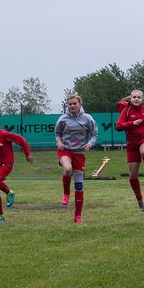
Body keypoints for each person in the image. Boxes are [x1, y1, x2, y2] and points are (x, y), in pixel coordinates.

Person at [0, 116, 34, 222]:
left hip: (6, 164)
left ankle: (9, 192)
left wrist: (27, 154)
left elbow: (21, 140)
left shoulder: (4, 135)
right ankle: (1, 216)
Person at [55, 94, 98, 223]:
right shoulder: (63, 119)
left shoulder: (87, 118)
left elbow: (94, 133)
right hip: (65, 150)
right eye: (70, 104)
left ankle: (77, 216)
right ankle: (66, 193)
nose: (72, 106)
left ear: (80, 104)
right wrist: (58, 141)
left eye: (74, 103)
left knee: (79, 186)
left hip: (79, 153)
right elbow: (57, 133)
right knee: (67, 169)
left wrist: (90, 143)